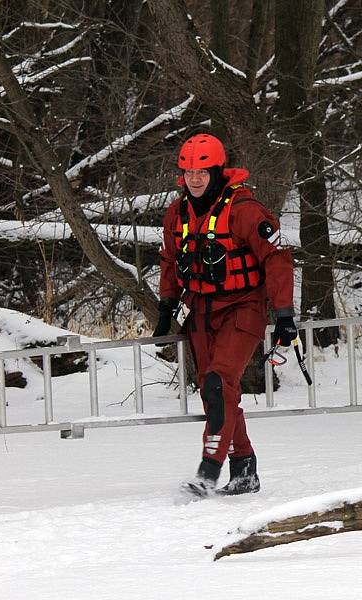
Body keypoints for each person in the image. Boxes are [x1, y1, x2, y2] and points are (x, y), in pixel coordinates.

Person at [154, 133, 297, 495]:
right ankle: (244, 469)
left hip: (243, 307)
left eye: (202, 171)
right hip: (200, 311)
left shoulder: (245, 210)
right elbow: (170, 261)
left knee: (218, 382)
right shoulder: (177, 214)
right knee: (216, 391)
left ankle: (208, 469)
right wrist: (166, 305)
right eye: (188, 171)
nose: (195, 178)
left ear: (218, 171)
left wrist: (283, 313)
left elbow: (277, 260)